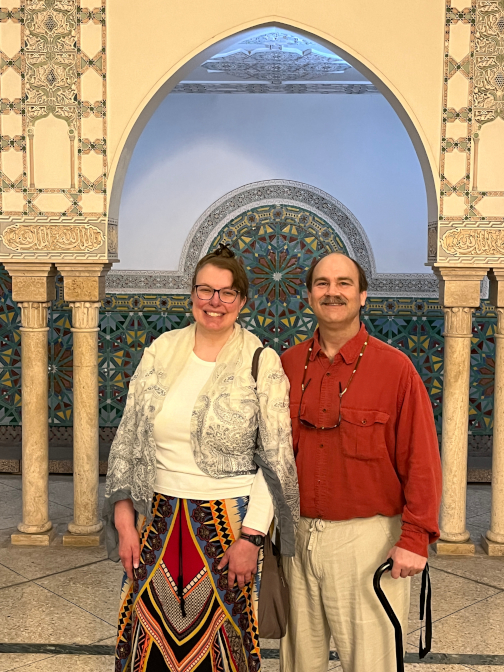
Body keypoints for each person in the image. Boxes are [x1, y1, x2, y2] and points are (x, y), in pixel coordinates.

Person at [103, 244, 299, 672]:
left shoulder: (261, 362)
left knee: (221, 648)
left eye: (227, 293)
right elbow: (129, 437)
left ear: (242, 301)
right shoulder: (161, 350)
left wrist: (252, 538)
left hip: (228, 523)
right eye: (206, 290)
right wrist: (123, 519)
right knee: (145, 644)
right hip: (155, 520)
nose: (215, 302)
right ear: (191, 295)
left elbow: (276, 458)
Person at [279, 252, 442, 672]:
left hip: (367, 542)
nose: (333, 292)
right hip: (297, 538)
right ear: (309, 295)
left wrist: (415, 539)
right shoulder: (287, 365)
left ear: (362, 294)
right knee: (298, 661)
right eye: (322, 283)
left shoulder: (395, 369)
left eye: (344, 283)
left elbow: (421, 459)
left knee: (371, 661)